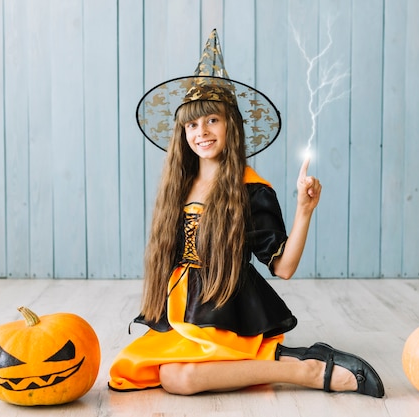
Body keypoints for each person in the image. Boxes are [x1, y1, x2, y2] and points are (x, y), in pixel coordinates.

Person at [108, 29, 384, 398]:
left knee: (178, 379)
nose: (201, 132)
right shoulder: (178, 186)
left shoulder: (249, 188)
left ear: (232, 126)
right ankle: (282, 361)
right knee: (145, 373)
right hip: (180, 309)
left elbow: (283, 267)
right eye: (191, 124)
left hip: (224, 307)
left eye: (212, 121)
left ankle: (308, 371)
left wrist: (304, 211)